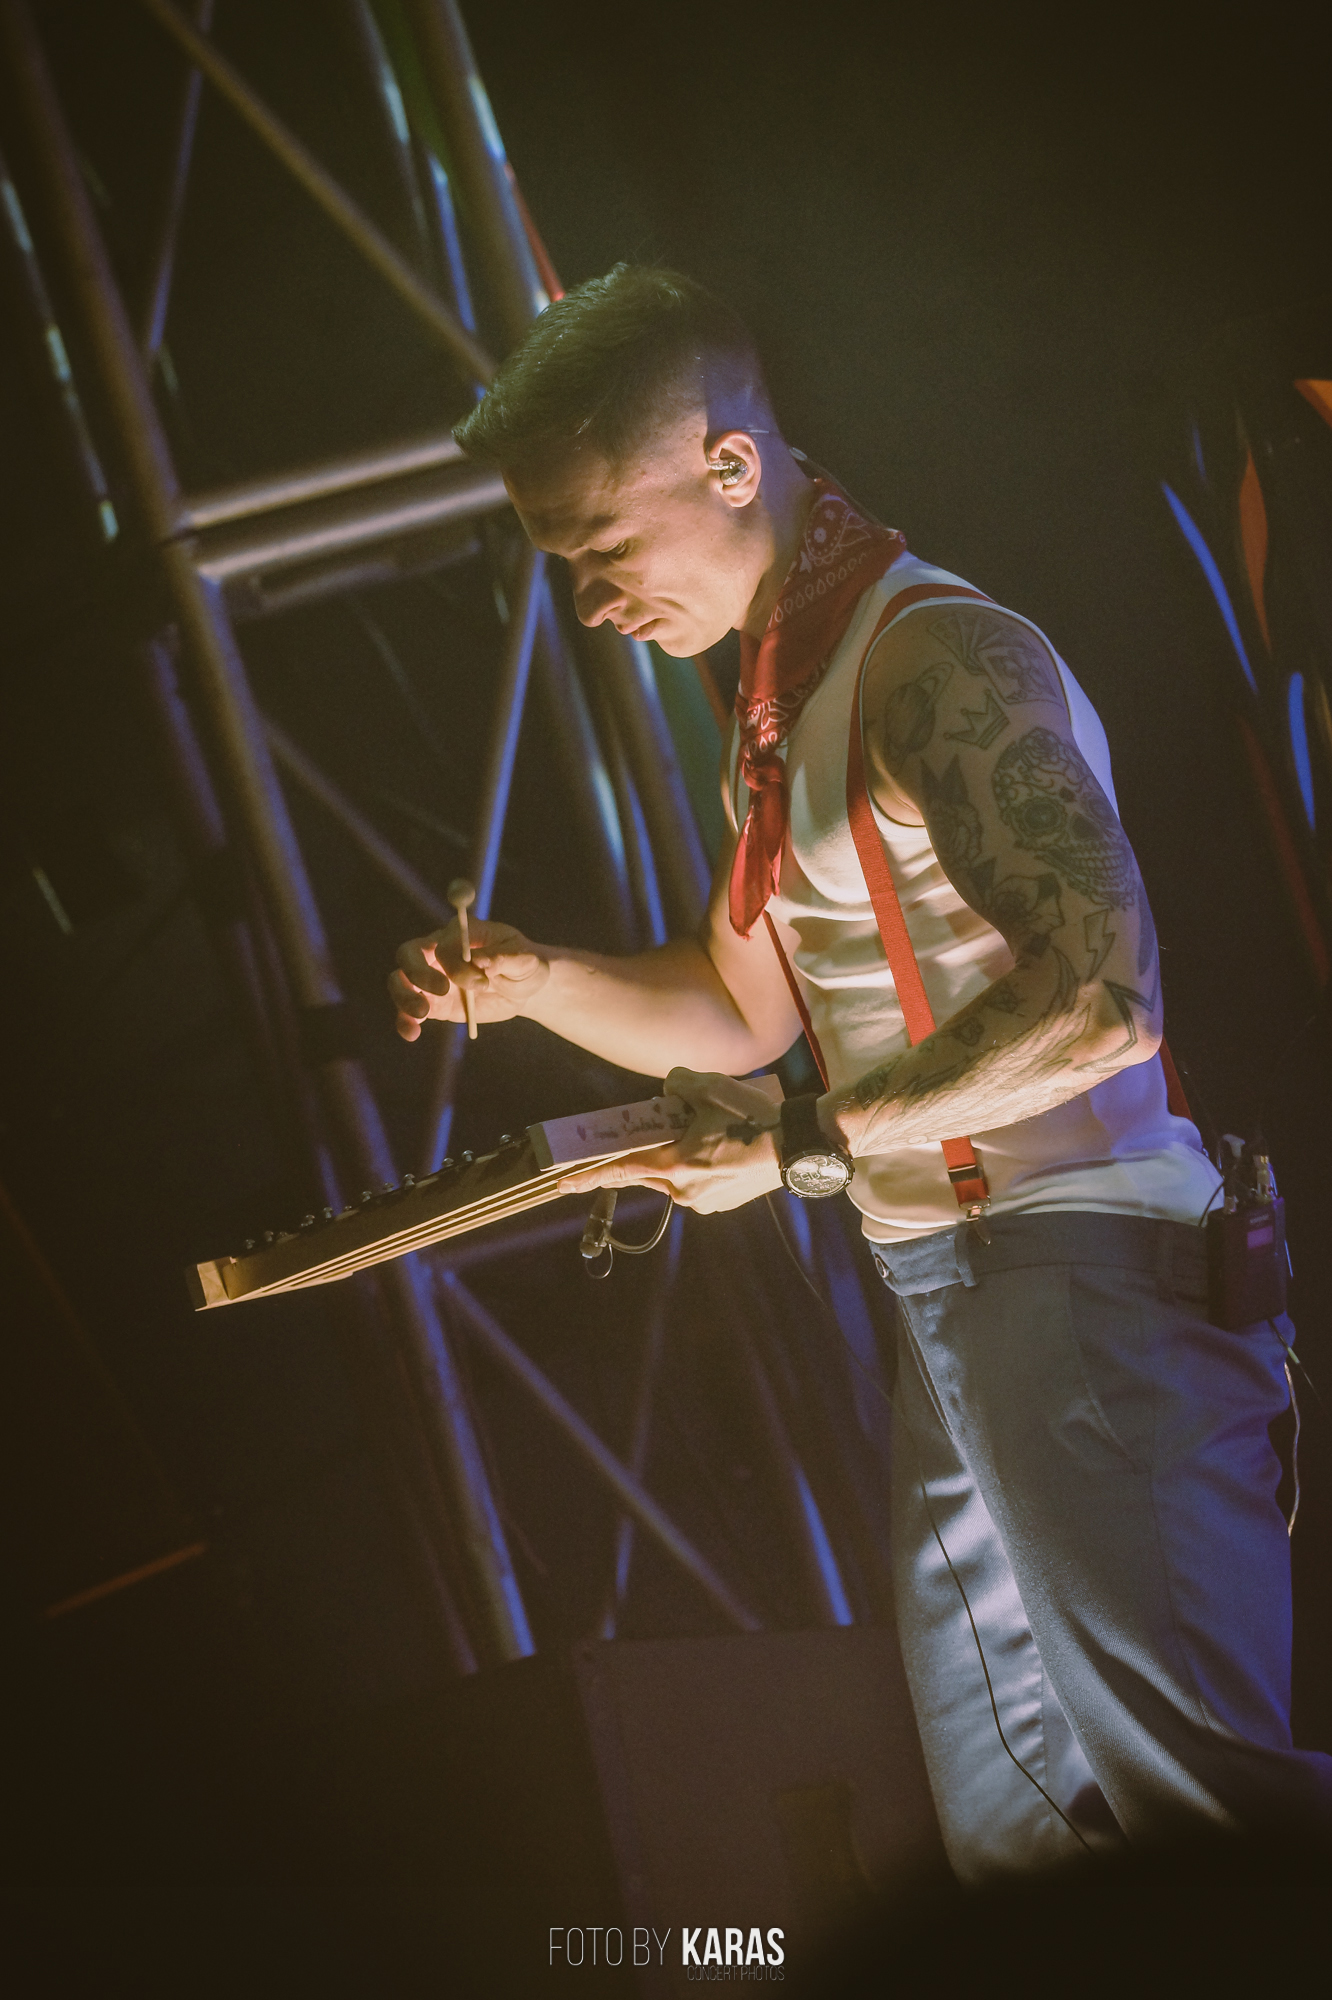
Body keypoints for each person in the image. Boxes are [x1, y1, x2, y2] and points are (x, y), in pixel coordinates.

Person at [388, 264, 1330, 1874]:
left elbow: (1104, 1003)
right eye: (561, 564)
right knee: (1020, 1849)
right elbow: (739, 1010)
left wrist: (797, 1146)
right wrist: (537, 985)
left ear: (728, 464)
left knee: (1211, 1823)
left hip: (1083, 1269)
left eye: (600, 547)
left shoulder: (935, 660)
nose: (591, 603)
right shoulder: (784, 701)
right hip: (957, 1290)